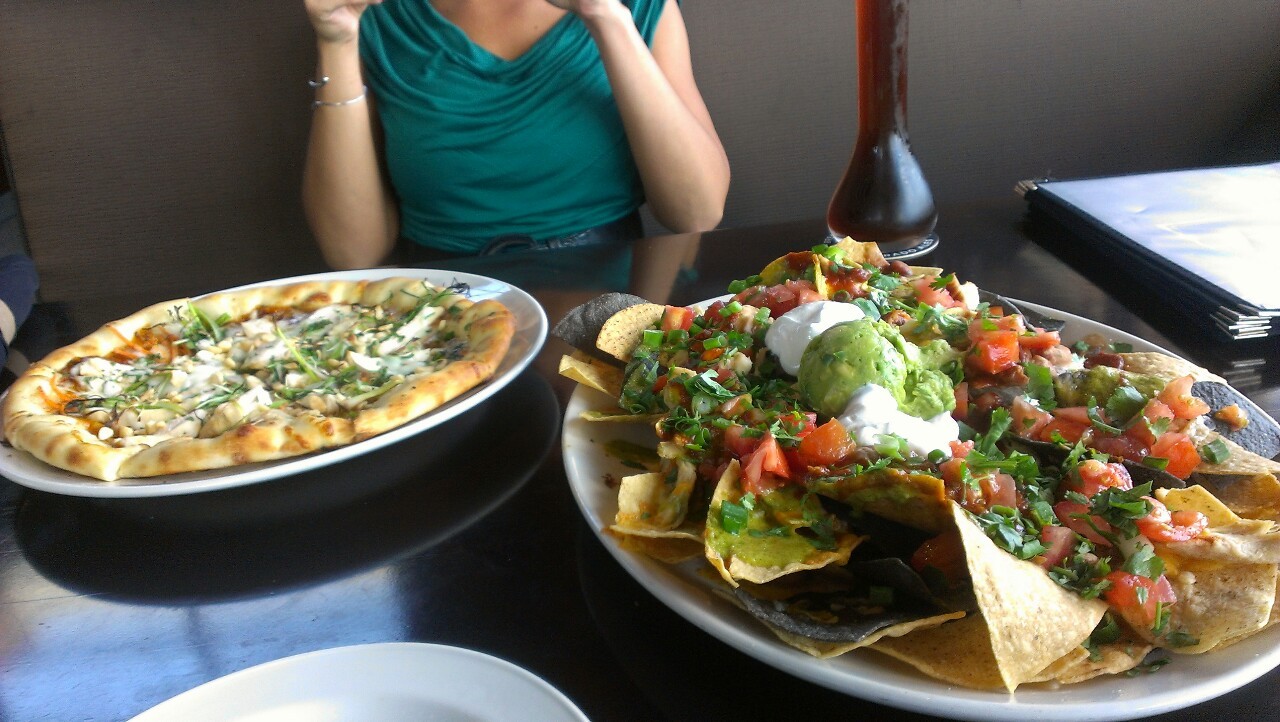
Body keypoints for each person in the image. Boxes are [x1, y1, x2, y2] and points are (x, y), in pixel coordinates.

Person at [302, 0, 729, 269]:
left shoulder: (640, 6)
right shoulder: (371, 16)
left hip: (612, 290)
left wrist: (605, 15)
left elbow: (696, 213)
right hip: (441, 306)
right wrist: (336, 43)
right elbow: (353, 255)